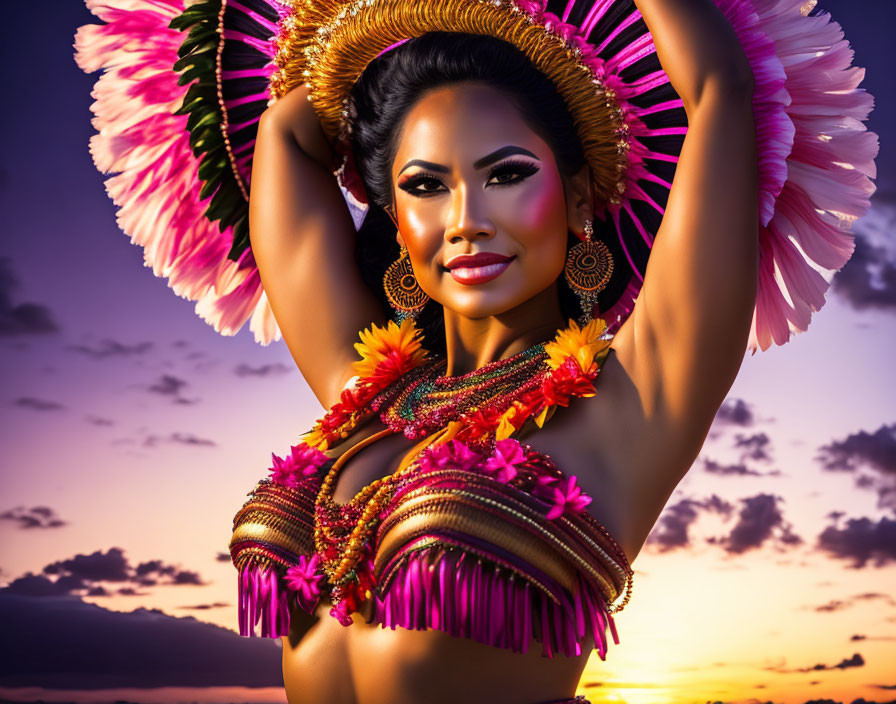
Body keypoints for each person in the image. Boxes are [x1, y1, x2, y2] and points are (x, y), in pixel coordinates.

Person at [75, 0, 877, 702]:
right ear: (394, 215)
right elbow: (288, 135)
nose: (465, 219)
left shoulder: (628, 406)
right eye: (425, 186)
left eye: (506, 174)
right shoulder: (369, 397)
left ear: (581, 198)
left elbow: (717, 94)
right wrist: (370, 29)